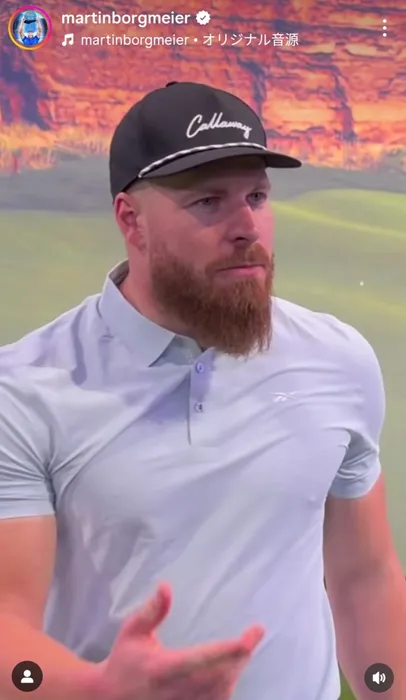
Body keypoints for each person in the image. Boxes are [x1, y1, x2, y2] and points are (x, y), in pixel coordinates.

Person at [0, 81, 404, 700]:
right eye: (209, 202)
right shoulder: (26, 390)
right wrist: (96, 688)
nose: (247, 227)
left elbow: (363, 579)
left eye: (257, 196)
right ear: (131, 221)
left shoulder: (337, 358)